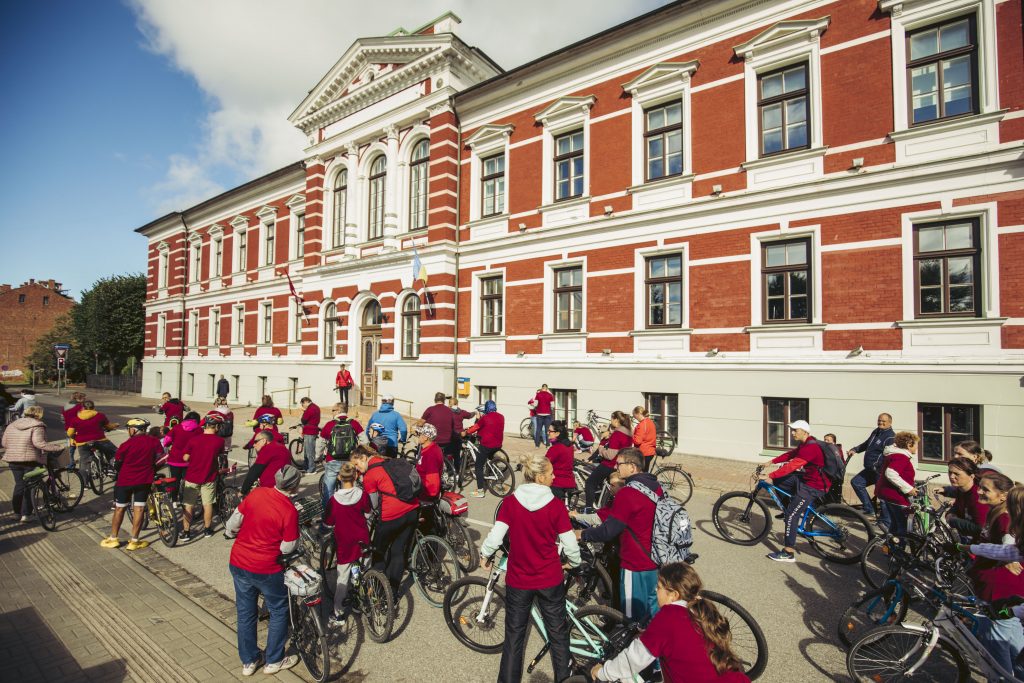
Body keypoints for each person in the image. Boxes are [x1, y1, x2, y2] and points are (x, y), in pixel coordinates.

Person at [480, 452, 581, 683]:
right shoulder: (555, 506)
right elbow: (570, 544)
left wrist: (486, 554)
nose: (554, 476)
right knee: (558, 636)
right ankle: (564, 679)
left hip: (519, 579)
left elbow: (496, 536)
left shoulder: (511, 502)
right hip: (549, 578)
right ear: (541, 477)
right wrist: (573, 563)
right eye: (551, 473)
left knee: (514, 637)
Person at [589, 562, 751, 683]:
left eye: (659, 587)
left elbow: (633, 660)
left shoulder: (667, 618)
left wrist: (604, 672)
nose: (655, 591)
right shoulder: (699, 609)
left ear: (673, 594)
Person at [224, 465, 301, 676]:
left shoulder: (257, 493)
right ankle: (274, 660)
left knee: (245, 612)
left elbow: (234, 520)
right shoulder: (289, 510)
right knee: (278, 609)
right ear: (295, 486)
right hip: (266, 567)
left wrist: (231, 533)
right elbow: (288, 546)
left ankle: (249, 660)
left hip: (239, 561)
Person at [578, 448, 661, 624]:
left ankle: (633, 649)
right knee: (652, 611)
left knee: (632, 619)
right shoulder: (655, 486)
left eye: (619, 463)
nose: (616, 466)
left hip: (635, 560)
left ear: (632, 467)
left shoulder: (627, 492)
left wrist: (583, 534)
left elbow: (609, 530)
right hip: (655, 556)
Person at [966, 474, 1024, 675]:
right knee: (1014, 643)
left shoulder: (1004, 519)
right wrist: (968, 547)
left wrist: (1010, 560)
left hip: (1001, 592)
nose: (979, 492)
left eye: (985, 489)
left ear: (1003, 496)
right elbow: (1006, 550)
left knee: (996, 648)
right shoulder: (996, 514)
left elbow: (1009, 546)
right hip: (1002, 594)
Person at [350, 445, 419, 594]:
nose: (357, 468)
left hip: (391, 517)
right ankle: (392, 592)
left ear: (364, 457)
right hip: (412, 510)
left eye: (357, 464)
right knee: (398, 551)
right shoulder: (388, 461)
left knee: (378, 551)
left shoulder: (370, 475)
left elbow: (373, 504)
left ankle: (377, 589)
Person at [760, 419, 828, 563]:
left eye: (795, 430)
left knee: (791, 513)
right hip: (806, 479)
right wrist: (771, 462)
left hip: (814, 485)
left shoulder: (811, 447)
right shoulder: (806, 443)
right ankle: (793, 505)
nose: (792, 433)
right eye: (792, 430)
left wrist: (770, 475)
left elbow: (792, 465)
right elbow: (790, 455)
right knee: (780, 481)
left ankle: (788, 552)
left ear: (805, 432)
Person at [100, 418, 162, 550]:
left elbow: (117, 463)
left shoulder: (126, 445)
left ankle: (113, 538)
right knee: (139, 509)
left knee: (119, 508)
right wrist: (152, 467)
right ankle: (134, 541)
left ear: (134, 430)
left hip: (125, 480)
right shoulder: (154, 441)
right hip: (144, 480)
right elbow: (160, 457)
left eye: (129, 428)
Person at [323, 462, 371, 627]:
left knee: (343, 578)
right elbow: (368, 513)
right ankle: (361, 601)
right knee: (362, 572)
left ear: (339, 477)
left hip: (345, 543)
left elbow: (328, 523)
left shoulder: (334, 501)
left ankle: (339, 614)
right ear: (356, 476)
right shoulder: (362, 495)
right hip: (362, 539)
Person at [2, 405, 64, 522]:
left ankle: (16, 513)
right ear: (38, 414)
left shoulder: (12, 425)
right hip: (30, 460)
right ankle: (26, 514)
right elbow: (39, 443)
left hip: (13, 459)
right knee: (31, 486)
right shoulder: (37, 425)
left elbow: (4, 443)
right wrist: (57, 447)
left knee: (19, 485)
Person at [846, 413, 895, 524]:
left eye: (883, 421)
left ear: (890, 423)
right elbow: (867, 444)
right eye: (879, 420)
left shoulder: (890, 437)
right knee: (856, 482)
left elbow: (888, 456)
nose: (880, 423)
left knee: (882, 497)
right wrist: (855, 449)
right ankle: (870, 510)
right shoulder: (876, 431)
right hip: (870, 470)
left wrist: (877, 466)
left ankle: (886, 523)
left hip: (880, 472)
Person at [182, 415, 225, 540]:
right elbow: (220, 455)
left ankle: (186, 532)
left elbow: (185, 458)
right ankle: (207, 530)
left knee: (189, 504)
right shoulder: (219, 441)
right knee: (208, 504)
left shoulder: (193, 440)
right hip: (209, 477)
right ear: (216, 427)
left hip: (192, 476)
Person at [874, 432, 920, 538]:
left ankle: (891, 549)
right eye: (916, 445)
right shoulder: (901, 457)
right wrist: (908, 489)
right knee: (903, 527)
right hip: (897, 497)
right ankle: (899, 551)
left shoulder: (894, 455)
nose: (917, 449)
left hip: (889, 495)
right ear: (909, 445)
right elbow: (891, 473)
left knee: (894, 525)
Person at [584, 410, 633, 509]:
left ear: (616, 420)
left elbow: (610, 455)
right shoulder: (629, 433)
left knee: (590, 482)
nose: (610, 421)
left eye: (611, 419)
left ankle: (589, 508)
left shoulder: (617, 433)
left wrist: (601, 449)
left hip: (610, 464)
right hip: (620, 464)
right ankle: (601, 502)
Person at [318, 407, 364, 508]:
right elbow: (365, 440)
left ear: (338, 411)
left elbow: (321, 443)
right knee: (350, 487)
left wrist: (318, 456)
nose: (332, 412)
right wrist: (359, 454)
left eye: (333, 410)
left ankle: (328, 515)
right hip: (349, 460)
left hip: (332, 460)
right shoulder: (354, 423)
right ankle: (352, 509)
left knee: (329, 489)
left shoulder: (330, 424)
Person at [66, 400, 118, 484]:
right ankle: (111, 469)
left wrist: (75, 437)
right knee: (115, 452)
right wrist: (115, 425)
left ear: (82, 408)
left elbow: (69, 433)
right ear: (94, 407)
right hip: (100, 441)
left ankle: (84, 483)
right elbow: (108, 426)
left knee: (84, 461)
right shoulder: (100, 416)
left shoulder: (75, 419)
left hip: (82, 443)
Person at [464, 400, 504, 499]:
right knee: (489, 460)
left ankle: (480, 491)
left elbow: (475, 428)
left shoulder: (485, 418)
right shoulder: (501, 416)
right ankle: (489, 474)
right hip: (498, 444)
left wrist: (466, 432)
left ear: (486, 408)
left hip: (487, 445)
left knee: (478, 466)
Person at [942, 457, 989, 541]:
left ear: (971, 476)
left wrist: (952, 520)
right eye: (950, 472)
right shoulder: (961, 489)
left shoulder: (978, 496)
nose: (952, 476)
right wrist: (950, 513)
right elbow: (957, 506)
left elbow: (980, 529)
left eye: (957, 474)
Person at [162, 411, 202, 500]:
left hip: (175, 459)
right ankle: (187, 499)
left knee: (174, 481)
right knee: (189, 481)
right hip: (190, 460)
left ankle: (174, 500)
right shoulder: (199, 430)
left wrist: (168, 445)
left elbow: (166, 441)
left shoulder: (176, 427)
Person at [241, 430, 292, 495]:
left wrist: (243, 490)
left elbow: (254, 472)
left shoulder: (267, 449)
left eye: (256, 442)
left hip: (271, 488)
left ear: (264, 441)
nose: (254, 445)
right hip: (286, 485)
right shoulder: (282, 447)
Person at [420, 391, 457, 462]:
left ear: (435, 400)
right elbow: (452, 425)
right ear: (444, 400)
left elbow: (421, 423)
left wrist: (418, 425)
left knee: (423, 449)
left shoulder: (430, 409)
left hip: (434, 441)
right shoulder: (449, 411)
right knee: (446, 457)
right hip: (447, 441)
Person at [544, 420, 576, 500]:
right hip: (570, 482)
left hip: (557, 483)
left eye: (550, 431)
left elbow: (544, 463)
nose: (548, 432)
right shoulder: (569, 445)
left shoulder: (556, 448)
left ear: (557, 433)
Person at [414, 423, 444, 500]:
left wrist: (428, 496)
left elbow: (432, 479)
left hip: (425, 491)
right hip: (420, 484)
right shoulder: (429, 448)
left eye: (419, 434)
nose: (418, 436)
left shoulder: (431, 454)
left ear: (425, 437)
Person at [61, 392, 86, 468]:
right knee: (83, 446)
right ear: (79, 398)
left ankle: (70, 464)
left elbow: (62, 419)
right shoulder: (81, 407)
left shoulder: (66, 406)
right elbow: (83, 418)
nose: (85, 399)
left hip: (68, 429)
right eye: (84, 398)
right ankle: (84, 463)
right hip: (80, 429)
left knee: (70, 447)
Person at [449, 399, 475, 471]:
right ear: (457, 404)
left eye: (449, 403)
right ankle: (458, 470)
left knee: (449, 453)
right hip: (460, 434)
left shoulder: (448, 412)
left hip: (452, 434)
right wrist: (475, 412)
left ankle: (451, 470)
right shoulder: (461, 412)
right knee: (457, 454)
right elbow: (470, 415)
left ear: (451, 404)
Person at [296, 397, 320, 475]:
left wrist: (304, 412)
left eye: (303, 404)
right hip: (311, 430)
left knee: (309, 451)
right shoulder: (315, 407)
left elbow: (304, 420)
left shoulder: (310, 408)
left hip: (310, 431)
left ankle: (311, 469)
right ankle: (306, 467)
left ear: (306, 402)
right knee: (307, 451)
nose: (303, 406)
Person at [632, 406, 657, 471]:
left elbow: (638, 441)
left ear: (638, 414)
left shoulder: (642, 425)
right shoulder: (650, 422)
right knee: (644, 473)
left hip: (644, 452)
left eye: (635, 416)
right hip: (650, 451)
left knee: (641, 474)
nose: (635, 419)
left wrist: (632, 435)